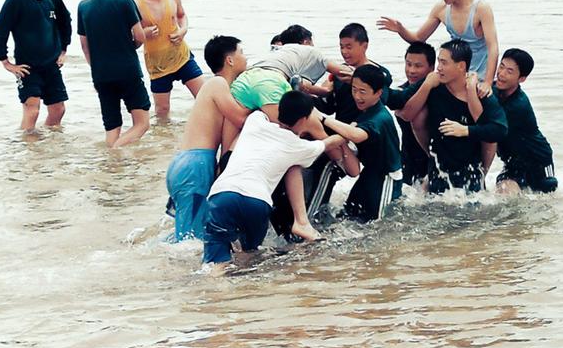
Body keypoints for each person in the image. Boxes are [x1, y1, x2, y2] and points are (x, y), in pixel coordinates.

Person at [201, 91, 348, 271]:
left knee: (217, 263)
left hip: (222, 194)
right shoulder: (298, 146)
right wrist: (351, 129)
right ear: (304, 119)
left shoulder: (255, 120)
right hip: (257, 202)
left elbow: (260, 107)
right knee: (249, 256)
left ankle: (214, 293)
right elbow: (329, 143)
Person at [165, 36, 251, 242]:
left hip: (189, 163)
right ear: (229, 60)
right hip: (195, 165)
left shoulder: (220, 88)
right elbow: (240, 118)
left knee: (189, 231)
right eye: (241, 52)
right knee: (190, 240)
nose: (245, 58)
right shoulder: (217, 83)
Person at [398, 39, 508, 193]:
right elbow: (401, 105)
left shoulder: (480, 92)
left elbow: (500, 130)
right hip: (437, 170)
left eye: (444, 63)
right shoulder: (433, 86)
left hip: (470, 173)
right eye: (438, 62)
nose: (439, 68)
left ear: (461, 66)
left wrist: (466, 130)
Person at [377, 0, 500, 92]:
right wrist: (401, 30)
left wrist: (487, 83)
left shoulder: (481, 9)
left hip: (479, 75)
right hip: (453, 73)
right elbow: (418, 38)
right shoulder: (440, 8)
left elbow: (493, 47)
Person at [0, 0, 73, 132]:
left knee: (58, 110)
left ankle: (45, 149)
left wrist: (63, 51)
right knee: (32, 110)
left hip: (51, 65)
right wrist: (6, 62)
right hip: (27, 66)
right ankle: (27, 153)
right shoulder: (16, 0)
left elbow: (65, 22)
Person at [77, 0, 150, 148]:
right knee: (142, 123)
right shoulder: (124, 0)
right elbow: (140, 36)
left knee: (112, 126)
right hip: (127, 71)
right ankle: (115, 152)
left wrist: (98, 67)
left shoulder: (83, 6)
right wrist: (129, 46)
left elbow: (85, 46)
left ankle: (112, 167)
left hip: (101, 75)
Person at [135, 0, 207, 118]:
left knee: (204, 96)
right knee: (162, 111)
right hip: (158, 65)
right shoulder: (136, 5)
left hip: (182, 57)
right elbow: (132, 40)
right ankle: (163, 141)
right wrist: (144, 34)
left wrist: (183, 31)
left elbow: (182, 16)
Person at [334, 64, 403, 220]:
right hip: (369, 173)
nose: (357, 96)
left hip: (387, 177)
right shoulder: (365, 111)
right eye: (354, 90)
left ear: (378, 93)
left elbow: (357, 135)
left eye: (363, 92)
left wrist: (321, 118)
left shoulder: (380, 118)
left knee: (380, 225)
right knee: (347, 216)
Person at [493, 48, 558, 194]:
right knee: (503, 193)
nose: (501, 74)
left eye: (509, 71)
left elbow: (489, 124)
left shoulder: (519, 105)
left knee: (543, 202)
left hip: (539, 160)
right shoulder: (494, 89)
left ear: (521, 78)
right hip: (513, 162)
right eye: (501, 66)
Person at [315, 23, 391, 124]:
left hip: (367, 130)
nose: (344, 51)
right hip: (342, 130)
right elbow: (329, 108)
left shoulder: (379, 73)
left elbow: (382, 101)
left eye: (349, 47)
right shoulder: (339, 72)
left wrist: (355, 81)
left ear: (364, 46)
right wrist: (308, 93)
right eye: (341, 47)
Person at [395, 41, 435, 188]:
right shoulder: (401, 92)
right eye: (408, 64)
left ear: (432, 68)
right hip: (408, 159)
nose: (411, 70)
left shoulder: (440, 93)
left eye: (418, 66)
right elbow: (405, 113)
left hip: (434, 160)